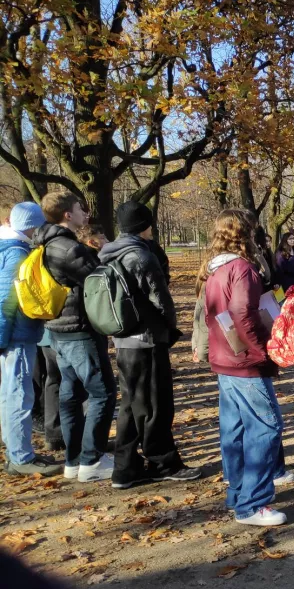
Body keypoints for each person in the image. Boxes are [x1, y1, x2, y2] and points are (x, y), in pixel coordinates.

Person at [99, 202, 200, 489]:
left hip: (124, 339)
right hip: (147, 338)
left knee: (131, 405)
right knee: (157, 406)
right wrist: (170, 329)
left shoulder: (109, 252)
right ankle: (163, 463)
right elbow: (161, 299)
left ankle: (125, 469)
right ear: (145, 224)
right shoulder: (141, 256)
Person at [199, 209, 287, 526]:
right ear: (247, 234)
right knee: (266, 427)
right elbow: (242, 314)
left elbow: (213, 315)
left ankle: (238, 493)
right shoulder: (242, 269)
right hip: (245, 362)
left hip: (226, 360)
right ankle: (252, 503)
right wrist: (263, 349)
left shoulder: (214, 269)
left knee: (234, 428)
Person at [33, 192, 117, 482]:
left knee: (70, 395)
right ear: (68, 214)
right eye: (81, 208)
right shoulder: (69, 249)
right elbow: (101, 280)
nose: (85, 213)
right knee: (102, 392)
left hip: (58, 330)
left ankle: (74, 460)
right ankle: (92, 461)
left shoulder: (44, 243)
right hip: (79, 331)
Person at [0, 202, 64, 476]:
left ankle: (16, 451)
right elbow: (6, 300)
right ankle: (21, 457)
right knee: (19, 395)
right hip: (17, 337)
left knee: (11, 394)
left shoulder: (9, 247)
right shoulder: (17, 252)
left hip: (14, 335)